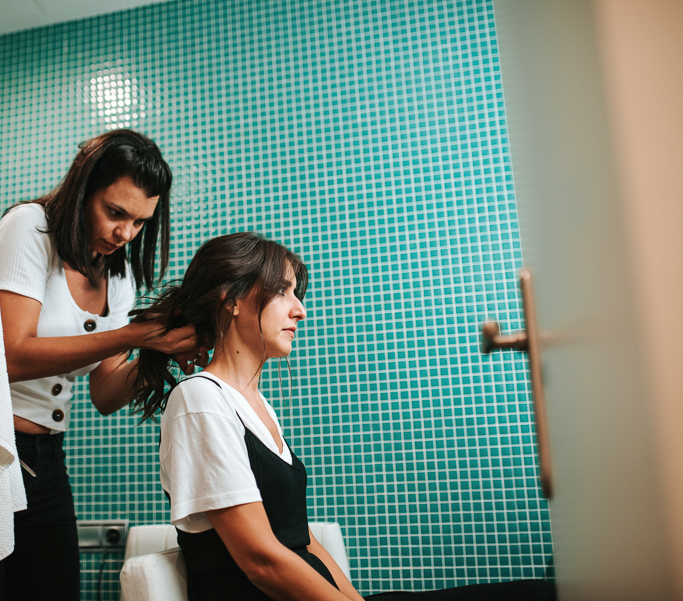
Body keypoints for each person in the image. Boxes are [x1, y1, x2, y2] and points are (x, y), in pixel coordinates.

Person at [129, 232, 556, 601]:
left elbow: (302, 540)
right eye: (283, 292)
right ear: (232, 299)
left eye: (297, 294)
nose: (300, 310)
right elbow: (261, 560)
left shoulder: (254, 405)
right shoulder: (200, 399)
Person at [0, 129, 206, 600]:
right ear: (84, 188)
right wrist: (135, 333)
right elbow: (8, 354)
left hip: (45, 461)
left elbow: (105, 393)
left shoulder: (117, 272)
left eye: (140, 222)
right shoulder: (31, 227)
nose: (124, 233)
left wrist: (158, 350)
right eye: (115, 212)